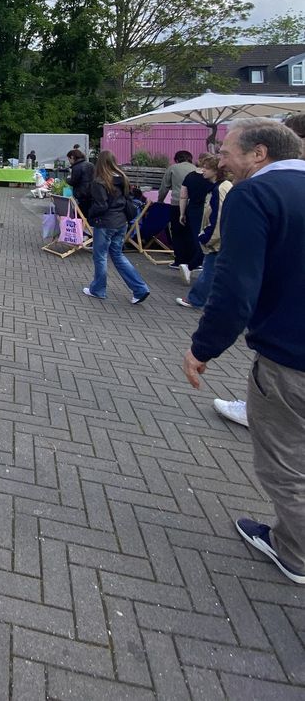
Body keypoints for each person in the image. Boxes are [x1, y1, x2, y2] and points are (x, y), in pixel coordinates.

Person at [183, 119, 305, 585]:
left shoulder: (254, 196)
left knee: (284, 466)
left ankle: (294, 552)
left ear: (259, 153)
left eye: (227, 150)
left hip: (290, 359)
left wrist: (202, 348)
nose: (221, 159)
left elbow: (236, 290)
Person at [83, 151, 150, 305]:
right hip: (121, 221)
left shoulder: (100, 181)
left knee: (100, 256)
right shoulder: (122, 179)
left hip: (105, 222)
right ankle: (140, 288)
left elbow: (101, 205)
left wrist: (90, 214)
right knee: (117, 255)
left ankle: (98, 289)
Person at [175, 155, 231, 310]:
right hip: (221, 237)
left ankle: (196, 299)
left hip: (217, 239)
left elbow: (218, 216)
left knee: (209, 270)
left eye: (206, 168)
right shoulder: (222, 187)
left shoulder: (219, 189)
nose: (202, 171)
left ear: (215, 171)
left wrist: (206, 237)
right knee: (213, 270)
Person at [158, 150, 197, 269]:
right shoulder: (196, 169)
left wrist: (160, 201)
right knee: (191, 232)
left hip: (176, 203)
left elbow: (164, 187)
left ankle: (179, 260)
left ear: (176, 159)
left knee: (177, 232)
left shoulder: (173, 168)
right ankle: (193, 260)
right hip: (193, 204)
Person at [176, 158, 214, 281]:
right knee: (206, 240)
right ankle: (193, 265)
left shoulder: (190, 177)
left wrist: (182, 213)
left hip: (193, 210)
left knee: (198, 238)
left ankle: (192, 265)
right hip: (208, 210)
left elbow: (183, 196)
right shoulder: (214, 181)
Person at [67, 148, 94, 217]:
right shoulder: (90, 164)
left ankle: (81, 227)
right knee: (88, 214)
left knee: (80, 215)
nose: (69, 161)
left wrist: (68, 179)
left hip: (81, 194)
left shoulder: (76, 167)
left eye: (69, 159)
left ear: (72, 157)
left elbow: (73, 181)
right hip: (92, 193)